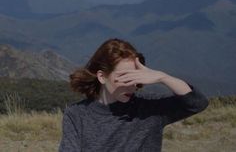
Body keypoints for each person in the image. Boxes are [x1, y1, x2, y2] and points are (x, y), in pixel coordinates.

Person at [59, 38, 209, 152]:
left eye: (136, 77)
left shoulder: (150, 108)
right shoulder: (76, 115)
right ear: (102, 76)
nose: (132, 85)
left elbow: (197, 103)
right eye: (125, 77)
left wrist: (163, 78)